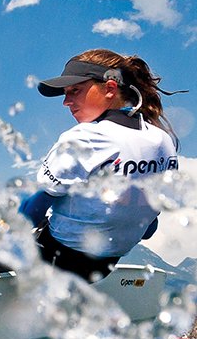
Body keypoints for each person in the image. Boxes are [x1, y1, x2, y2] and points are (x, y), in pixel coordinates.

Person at [20, 49, 181, 281]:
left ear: (110, 88)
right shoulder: (163, 141)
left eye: (75, 90)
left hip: (55, 259)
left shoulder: (84, 137)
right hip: (104, 266)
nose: (66, 102)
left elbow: (30, 213)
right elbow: (149, 229)